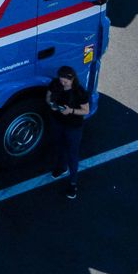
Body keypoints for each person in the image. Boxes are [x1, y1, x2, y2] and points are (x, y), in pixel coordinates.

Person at [46, 65, 91, 199]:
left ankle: (73, 183)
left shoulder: (79, 92)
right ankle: (62, 167)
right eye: (61, 80)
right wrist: (51, 105)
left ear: (72, 79)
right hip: (58, 122)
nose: (63, 83)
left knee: (72, 153)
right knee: (60, 146)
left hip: (73, 126)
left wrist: (70, 111)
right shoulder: (55, 84)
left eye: (66, 81)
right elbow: (48, 97)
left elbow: (86, 111)